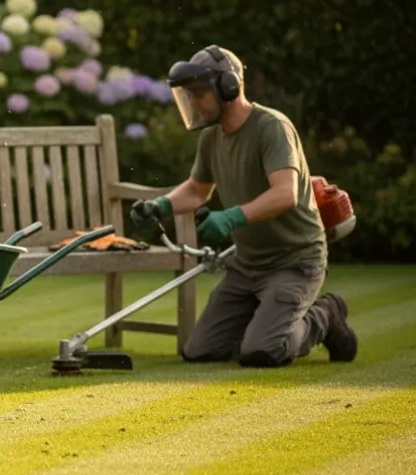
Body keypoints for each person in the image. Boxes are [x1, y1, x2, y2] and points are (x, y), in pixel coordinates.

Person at [129, 45, 357, 367]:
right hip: (247, 265)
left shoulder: (271, 127)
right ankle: (265, 319)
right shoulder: (211, 138)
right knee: (199, 352)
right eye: (188, 95)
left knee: (264, 352)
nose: (192, 102)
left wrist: (231, 217)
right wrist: (160, 207)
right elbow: (197, 190)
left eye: (198, 93)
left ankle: (325, 315)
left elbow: (285, 194)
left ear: (229, 87)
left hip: (294, 261)